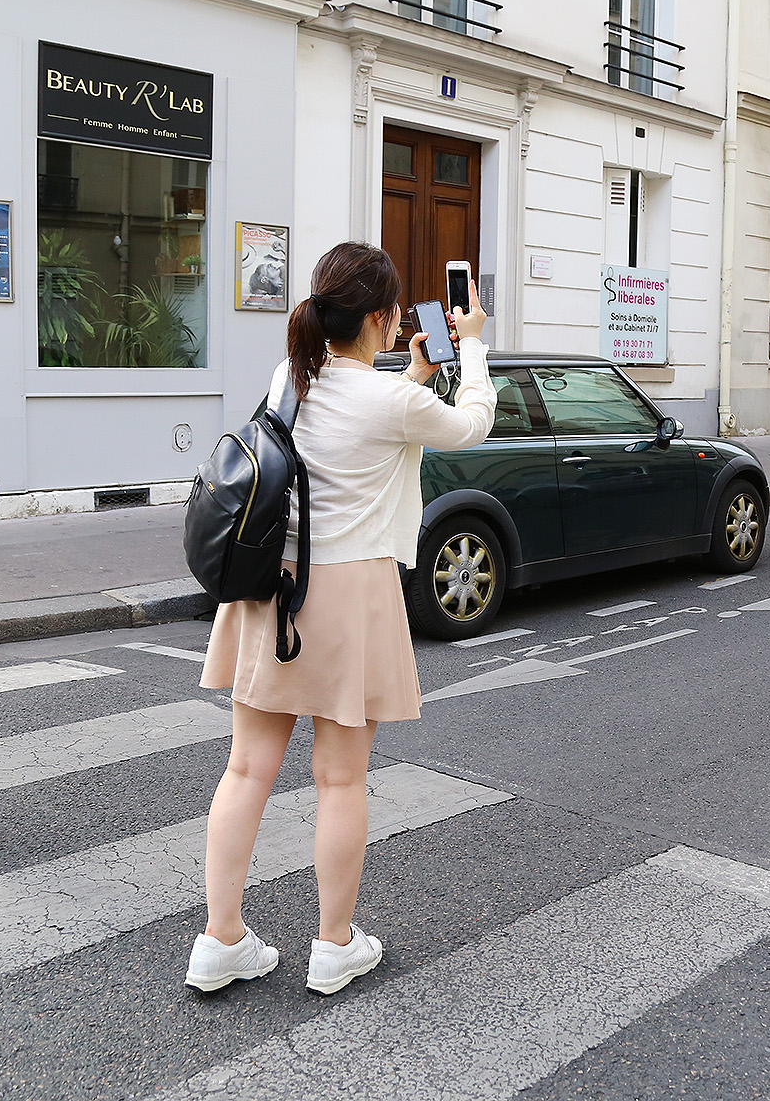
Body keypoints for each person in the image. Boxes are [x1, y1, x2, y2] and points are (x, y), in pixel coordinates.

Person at [186, 241, 493, 996]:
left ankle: (220, 941)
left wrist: (412, 376)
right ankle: (333, 945)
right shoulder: (389, 401)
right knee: (340, 780)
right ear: (383, 317)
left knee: (246, 768)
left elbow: (355, 425)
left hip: (273, 586)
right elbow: (471, 424)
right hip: (350, 593)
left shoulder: (289, 377)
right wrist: (473, 347)